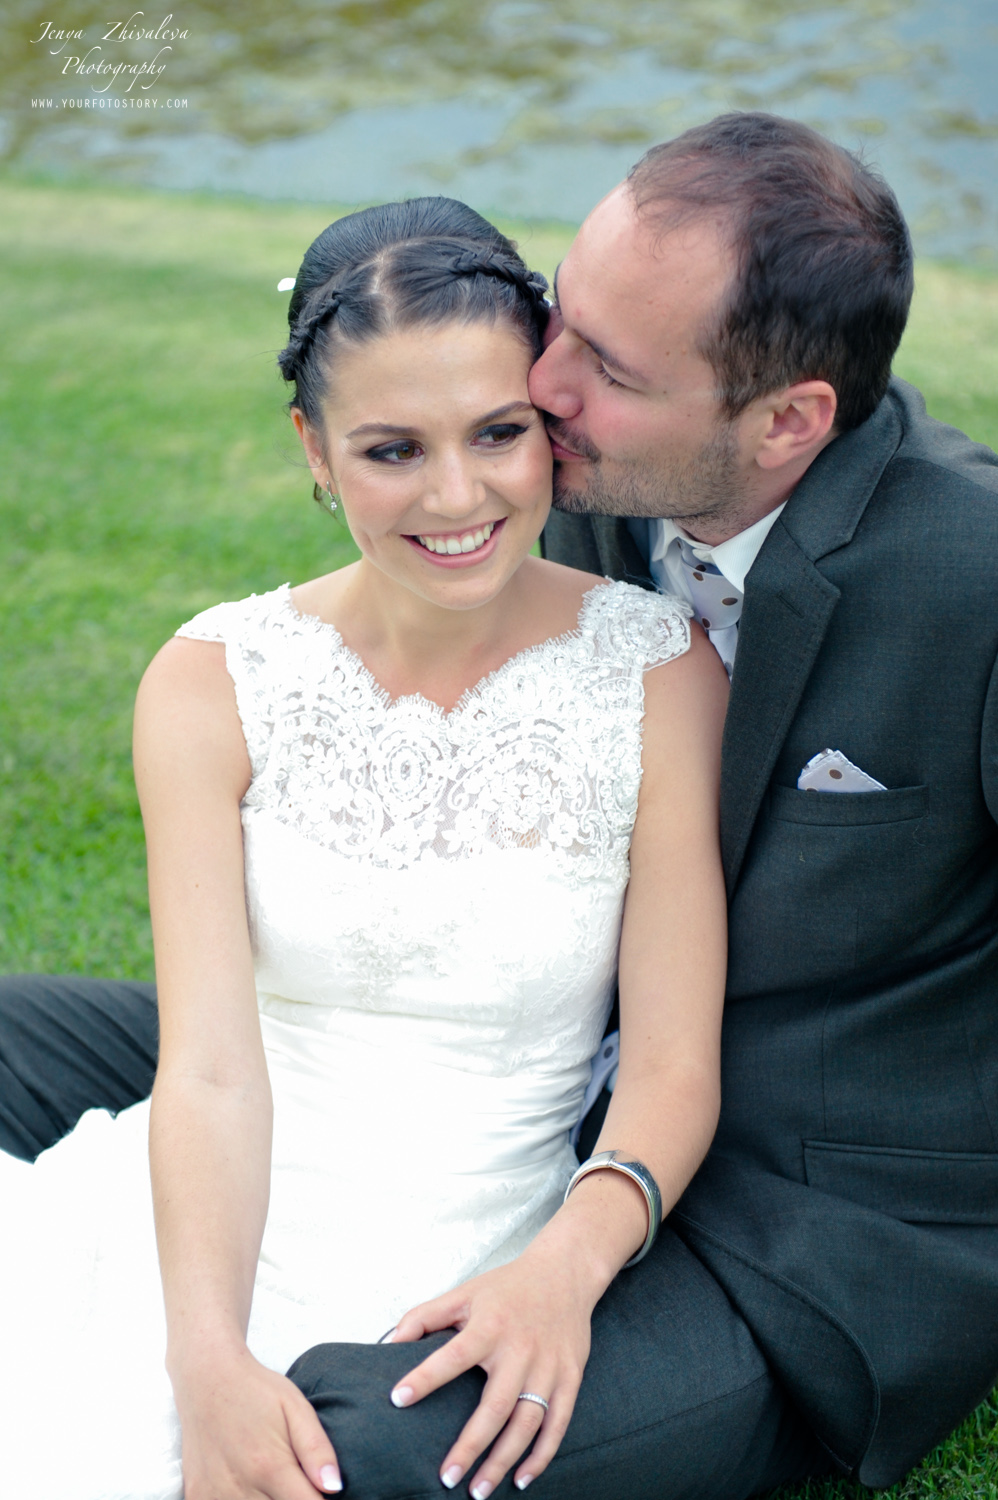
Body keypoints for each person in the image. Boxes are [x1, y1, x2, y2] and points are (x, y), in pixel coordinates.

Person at [4, 108, 998, 1500]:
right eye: (561, 316)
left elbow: (673, 1056)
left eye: (602, 367)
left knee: (338, 1456)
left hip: (790, 1198)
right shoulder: (582, 474)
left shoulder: (968, 579)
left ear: (784, 421)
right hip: (438, 1055)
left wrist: (573, 1251)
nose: (545, 381)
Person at [0, 198, 729, 1500]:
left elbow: (673, 1067)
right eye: (393, 449)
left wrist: (565, 1272)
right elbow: (209, 1067)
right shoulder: (212, 681)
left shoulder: (657, 674)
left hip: (491, 1239)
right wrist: (203, 1359)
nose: (457, 496)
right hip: (216, 1221)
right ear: (314, 451)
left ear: (548, 423)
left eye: (497, 433)